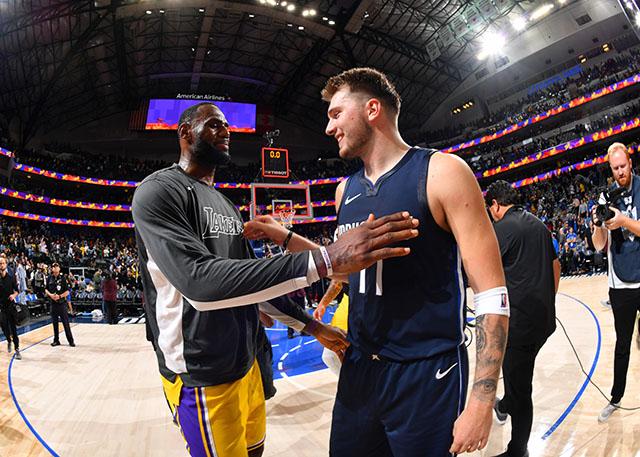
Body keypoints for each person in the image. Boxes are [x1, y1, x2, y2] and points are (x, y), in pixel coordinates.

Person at [243, 68, 509, 456]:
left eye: (336, 113)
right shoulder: (344, 190)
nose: (329, 127)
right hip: (360, 367)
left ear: (372, 109)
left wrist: (482, 401)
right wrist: (284, 236)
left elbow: (492, 294)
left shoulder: (442, 172)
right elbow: (345, 269)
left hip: (426, 372)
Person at [131, 101, 418, 457]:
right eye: (214, 124)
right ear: (185, 133)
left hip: (246, 360)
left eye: (227, 126)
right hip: (201, 371)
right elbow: (199, 285)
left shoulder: (226, 205)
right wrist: (327, 257)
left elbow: (255, 286)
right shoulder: (158, 192)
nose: (226, 131)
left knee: (255, 452)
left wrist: (313, 327)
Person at [485, 180, 560, 457]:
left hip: (519, 327)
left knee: (521, 389)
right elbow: (555, 265)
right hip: (543, 321)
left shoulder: (501, 229)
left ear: (495, 204)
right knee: (518, 376)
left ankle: (518, 450)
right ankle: (505, 405)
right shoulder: (539, 225)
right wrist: (549, 299)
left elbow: (484, 273)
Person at [591, 142, 640, 422]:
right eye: (615, 168)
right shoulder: (605, 197)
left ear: (630, 163)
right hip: (620, 285)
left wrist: (623, 221)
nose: (620, 171)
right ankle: (616, 397)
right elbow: (599, 246)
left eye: (623, 166)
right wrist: (598, 224)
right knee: (622, 345)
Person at [45, 262, 75, 347]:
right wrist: (51, 295)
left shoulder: (63, 278)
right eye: (53, 267)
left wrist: (60, 296)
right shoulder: (49, 278)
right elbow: (46, 289)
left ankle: (71, 341)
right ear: (52, 269)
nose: (55, 268)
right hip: (53, 303)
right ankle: (56, 340)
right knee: (55, 323)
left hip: (61, 303)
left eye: (56, 266)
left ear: (59, 268)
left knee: (65, 323)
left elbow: (67, 291)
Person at [0, 256, 21, 360]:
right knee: (4, 327)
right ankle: (9, 340)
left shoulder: (11, 278)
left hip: (11, 307)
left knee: (13, 329)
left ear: (6, 264)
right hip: (1, 308)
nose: (1, 265)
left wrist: (14, 295)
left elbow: (17, 291)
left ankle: (17, 349)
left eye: (3, 263)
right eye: (0, 263)